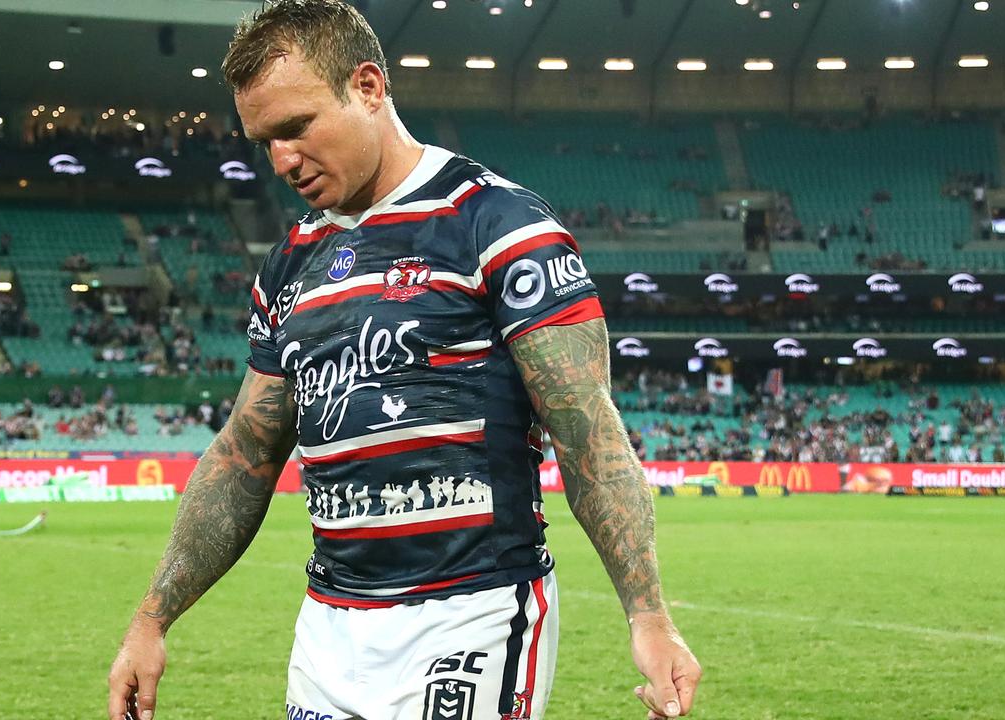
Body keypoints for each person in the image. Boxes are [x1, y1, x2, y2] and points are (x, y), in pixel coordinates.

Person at [107, 2, 700, 719]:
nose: (283, 161)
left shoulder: (499, 227)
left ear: (368, 87)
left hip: (471, 613)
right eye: (265, 140)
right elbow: (244, 455)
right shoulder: (290, 265)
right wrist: (151, 619)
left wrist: (649, 615)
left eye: (296, 128)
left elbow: (588, 433)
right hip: (328, 631)